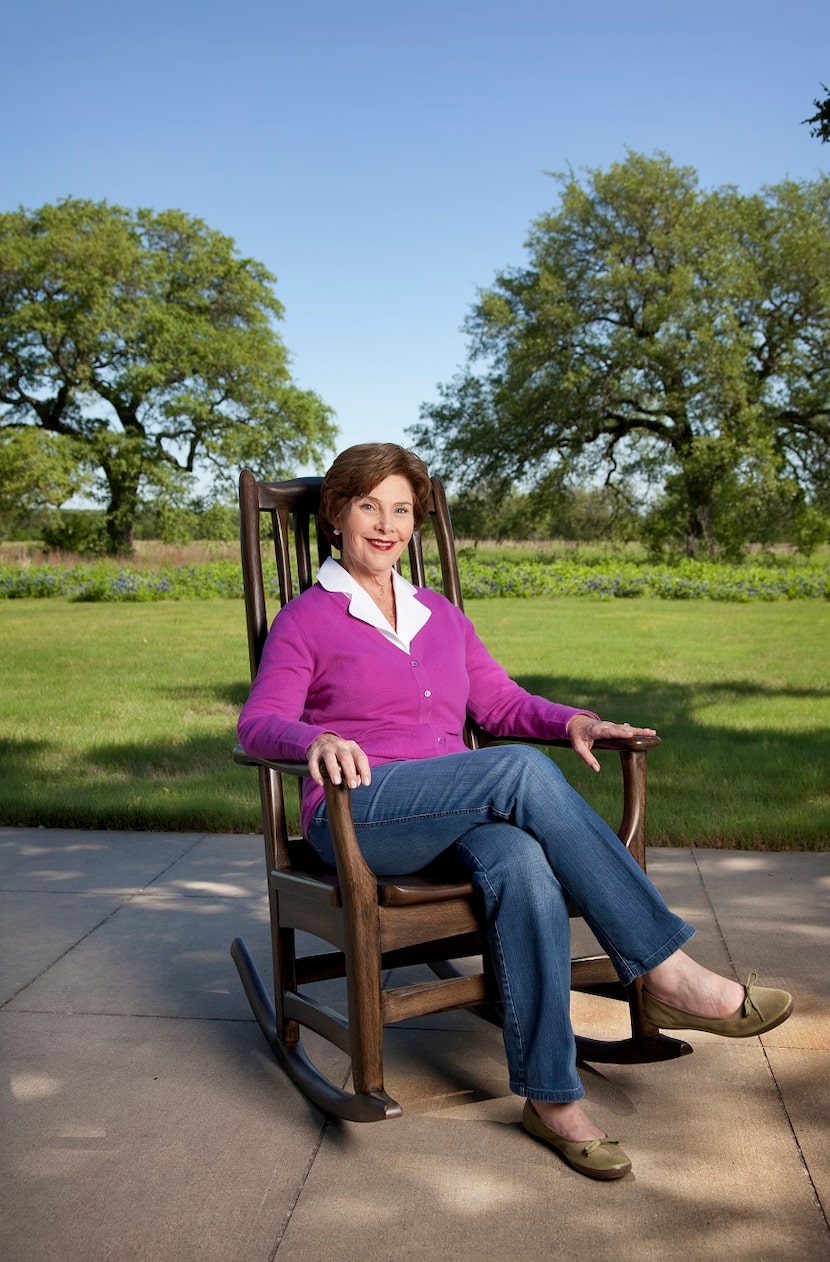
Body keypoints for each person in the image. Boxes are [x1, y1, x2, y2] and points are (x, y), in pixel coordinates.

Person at [237, 442, 793, 1181]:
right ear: (338, 514)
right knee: (517, 771)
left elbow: (500, 703)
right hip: (358, 814)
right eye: (369, 505)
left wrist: (572, 723)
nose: (387, 523)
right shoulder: (306, 620)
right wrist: (318, 737)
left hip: (457, 808)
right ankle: (667, 973)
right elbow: (257, 724)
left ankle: (552, 1100)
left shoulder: (440, 615)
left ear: (417, 521)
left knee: (523, 861)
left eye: (402, 508)